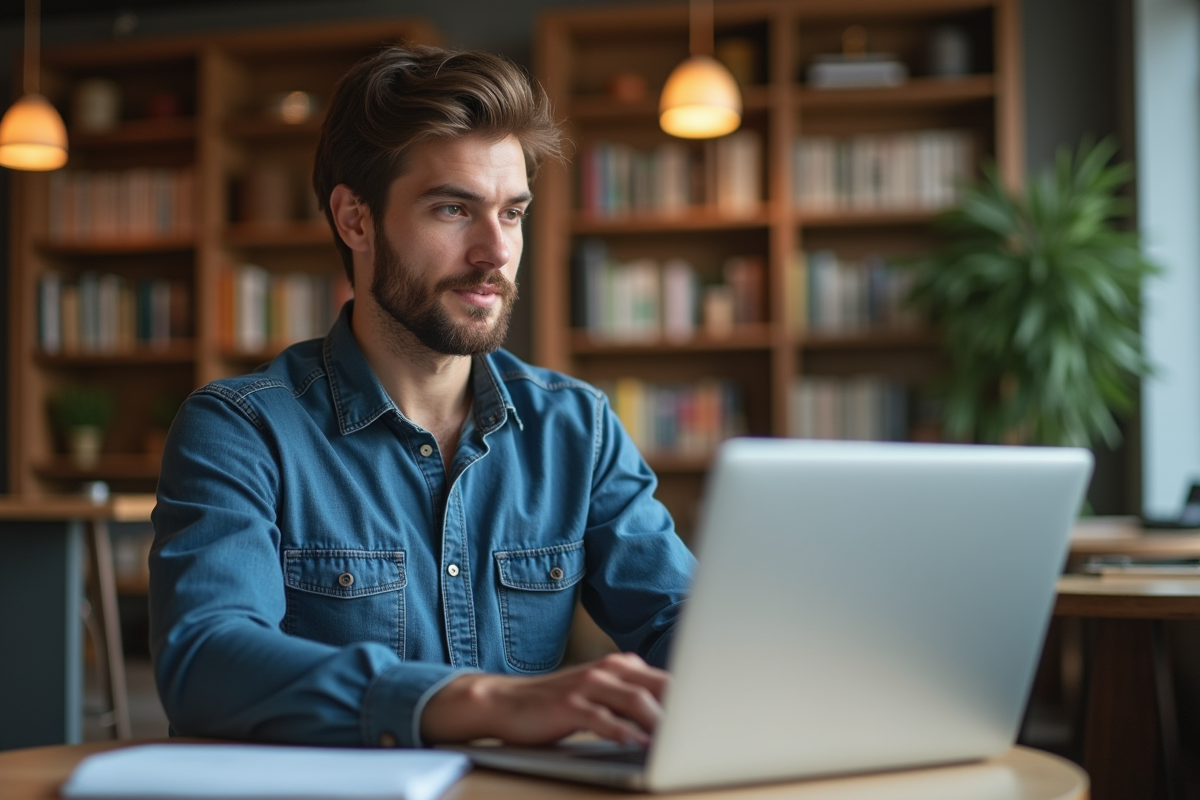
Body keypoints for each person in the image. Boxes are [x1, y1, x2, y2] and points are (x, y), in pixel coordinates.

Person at [149, 43, 695, 750]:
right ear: (356, 220)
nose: (495, 252)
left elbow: (677, 618)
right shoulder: (240, 429)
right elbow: (205, 663)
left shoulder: (576, 427)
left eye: (512, 213)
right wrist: (485, 702)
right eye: (452, 209)